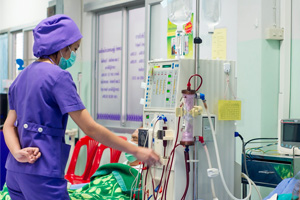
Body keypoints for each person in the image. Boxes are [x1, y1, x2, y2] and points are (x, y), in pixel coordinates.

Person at [3, 14, 159, 200]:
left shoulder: (21, 77)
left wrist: (17, 152)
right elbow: (90, 128)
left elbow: (8, 125)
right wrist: (136, 150)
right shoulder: (58, 77)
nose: (73, 55)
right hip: (42, 172)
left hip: (14, 173)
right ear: (62, 47)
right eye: (74, 49)